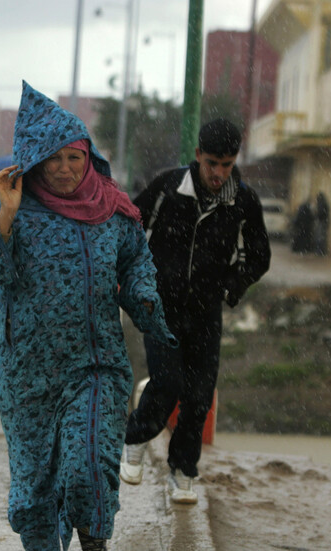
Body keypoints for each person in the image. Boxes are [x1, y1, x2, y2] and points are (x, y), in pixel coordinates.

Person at [0, 82, 176, 551]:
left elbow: (136, 262)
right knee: (35, 488)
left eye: (74, 157)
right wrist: (6, 214)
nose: (64, 169)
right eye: (53, 159)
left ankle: (95, 545)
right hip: (28, 374)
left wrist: (144, 298)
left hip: (95, 366)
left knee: (90, 465)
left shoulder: (113, 210)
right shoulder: (16, 209)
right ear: (35, 162)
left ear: (88, 156)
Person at [120, 118, 271, 504]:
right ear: (198, 156)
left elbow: (259, 257)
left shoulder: (243, 202)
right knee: (167, 383)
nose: (219, 173)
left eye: (227, 164)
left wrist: (230, 287)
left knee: (200, 396)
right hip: (160, 308)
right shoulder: (167, 187)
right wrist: (136, 282)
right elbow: (128, 231)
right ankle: (134, 438)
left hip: (206, 313)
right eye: (212, 164)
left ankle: (183, 470)